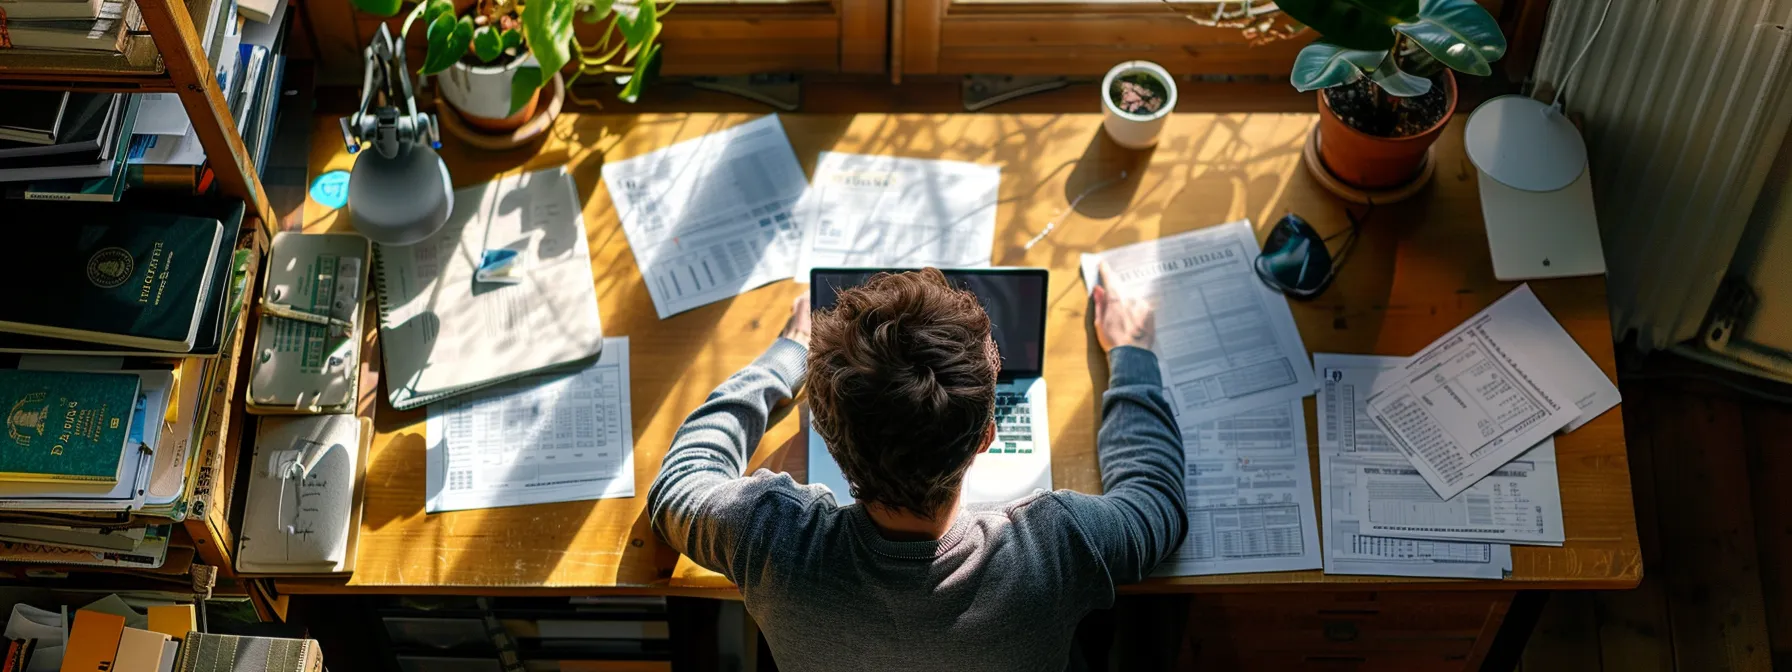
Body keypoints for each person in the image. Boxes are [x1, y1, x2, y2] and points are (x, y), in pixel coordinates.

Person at [647, 267, 1186, 672]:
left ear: (831, 447)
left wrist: (788, 355)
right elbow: (1157, 505)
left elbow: (678, 484)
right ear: (986, 437)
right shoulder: (1058, 547)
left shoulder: (773, 543)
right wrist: (1133, 354)